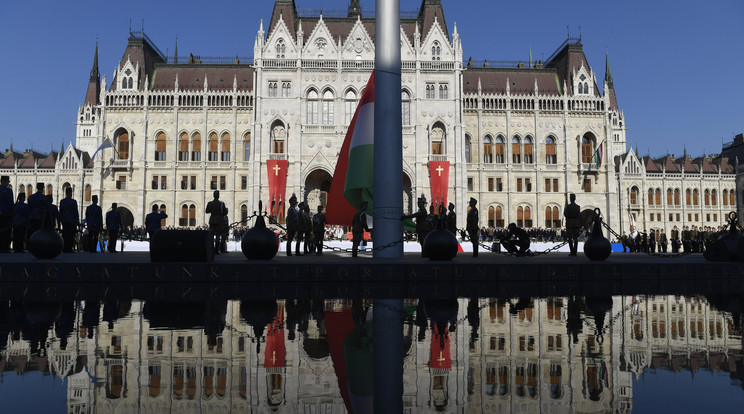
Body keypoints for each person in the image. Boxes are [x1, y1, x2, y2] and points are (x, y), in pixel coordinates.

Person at [205, 190, 228, 254]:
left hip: (212, 220)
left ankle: (211, 249)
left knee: (211, 236)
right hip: (219, 220)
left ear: (213, 195)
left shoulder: (210, 203)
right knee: (218, 235)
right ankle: (216, 250)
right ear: (218, 196)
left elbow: (207, 211)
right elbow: (224, 213)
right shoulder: (221, 204)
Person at [58, 187, 80, 253]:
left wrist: (61, 220)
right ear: (70, 193)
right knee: (71, 235)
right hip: (71, 221)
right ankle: (69, 248)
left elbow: (60, 211)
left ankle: (65, 248)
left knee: (65, 234)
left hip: (64, 221)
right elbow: (75, 212)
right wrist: (77, 221)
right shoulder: (73, 202)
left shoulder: (62, 201)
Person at [0, 176, 13, 252]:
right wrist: (12, 213)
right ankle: (4, 247)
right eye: (8, 182)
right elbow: (10, 203)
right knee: (5, 231)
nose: (8, 183)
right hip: (5, 213)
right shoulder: (8, 191)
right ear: (5, 181)